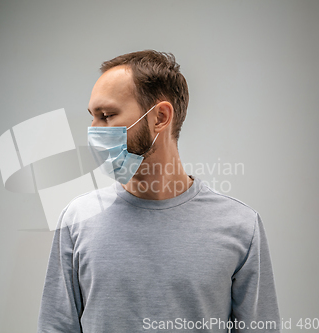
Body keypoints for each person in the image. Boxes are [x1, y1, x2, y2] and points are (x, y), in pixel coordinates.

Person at [37, 50, 281, 332]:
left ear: (160, 117)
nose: (94, 132)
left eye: (106, 116)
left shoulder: (240, 226)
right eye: (92, 117)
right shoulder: (78, 219)